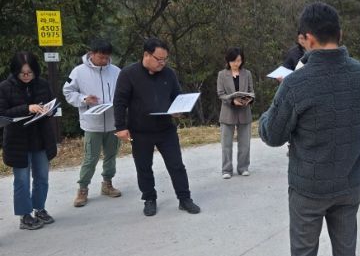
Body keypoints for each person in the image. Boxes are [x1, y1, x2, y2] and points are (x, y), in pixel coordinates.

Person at [259, 2, 360, 256]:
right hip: (349, 182)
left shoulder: (296, 83)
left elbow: (271, 134)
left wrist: (274, 104)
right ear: (340, 34)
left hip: (308, 187)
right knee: (346, 248)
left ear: (307, 39)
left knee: (303, 253)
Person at [113, 37, 201, 217]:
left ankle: (184, 199)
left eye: (165, 59)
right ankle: (149, 199)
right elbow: (120, 102)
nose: (162, 63)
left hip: (166, 129)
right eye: (159, 59)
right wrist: (120, 127)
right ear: (146, 55)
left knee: (176, 165)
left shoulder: (169, 74)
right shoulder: (129, 74)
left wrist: (178, 110)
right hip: (140, 131)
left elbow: (177, 97)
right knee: (143, 166)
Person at [0, 51, 57, 230]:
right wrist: (27, 108)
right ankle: (25, 215)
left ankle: (40, 208)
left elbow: (52, 104)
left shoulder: (42, 84)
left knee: (42, 177)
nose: (26, 76)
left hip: (41, 138)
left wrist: (50, 110)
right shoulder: (5, 87)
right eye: (22, 73)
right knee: (22, 180)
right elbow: (2, 113)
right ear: (15, 71)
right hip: (18, 141)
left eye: (29, 72)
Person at [63, 38, 123, 207]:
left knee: (111, 155)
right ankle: (83, 189)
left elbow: (124, 91)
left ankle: (107, 184)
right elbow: (67, 91)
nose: (104, 60)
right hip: (92, 123)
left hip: (112, 122)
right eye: (101, 57)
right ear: (92, 54)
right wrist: (84, 99)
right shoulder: (78, 71)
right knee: (90, 158)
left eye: (107, 57)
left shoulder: (116, 71)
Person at [217, 47, 254, 178]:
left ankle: (243, 167)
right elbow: (221, 94)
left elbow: (251, 91)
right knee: (226, 144)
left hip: (244, 112)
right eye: (233, 61)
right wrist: (232, 101)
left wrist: (248, 100)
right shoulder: (222, 74)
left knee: (245, 144)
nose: (236, 63)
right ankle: (226, 170)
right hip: (228, 113)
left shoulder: (247, 73)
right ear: (228, 60)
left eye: (239, 60)